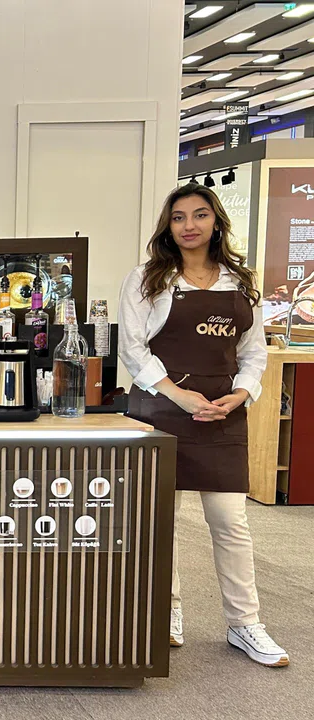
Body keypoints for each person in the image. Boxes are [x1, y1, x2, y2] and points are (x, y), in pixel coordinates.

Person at [120, 182, 287, 667]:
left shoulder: (241, 282)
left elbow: (253, 353)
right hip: (160, 410)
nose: (188, 225)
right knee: (161, 521)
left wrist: (240, 395)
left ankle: (245, 623)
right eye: (178, 217)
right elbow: (133, 348)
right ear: (167, 227)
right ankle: (167, 611)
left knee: (230, 522)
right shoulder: (148, 279)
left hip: (222, 415)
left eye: (199, 215)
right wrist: (178, 394)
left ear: (216, 222)